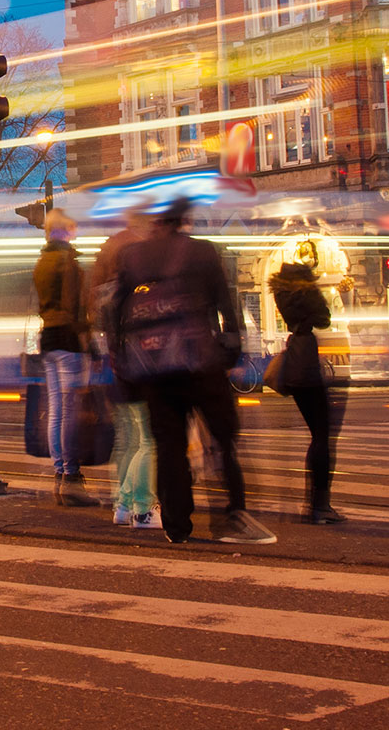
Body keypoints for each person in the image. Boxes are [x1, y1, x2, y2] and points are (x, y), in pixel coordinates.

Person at [107, 196, 273, 545]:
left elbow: (114, 309)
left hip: (154, 367)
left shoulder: (133, 256)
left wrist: (120, 355)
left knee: (170, 447)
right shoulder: (203, 252)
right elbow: (226, 305)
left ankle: (177, 525)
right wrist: (231, 352)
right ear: (183, 220)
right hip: (200, 362)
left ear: (157, 222)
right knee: (223, 440)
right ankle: (232, 515)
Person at [92, 202, 158, 528]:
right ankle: (142, 509)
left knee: (127, 439)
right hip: (140, 370)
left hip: (116, 369)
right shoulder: (138, 290)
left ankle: (122, 504)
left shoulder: (109, 282)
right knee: (148, 441)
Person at [269, 253, 345, 523]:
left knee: (318, 433)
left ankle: (315, 503)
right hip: (307, 362)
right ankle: (320, 504)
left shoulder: (282, 294)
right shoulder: (306, 292)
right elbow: (324, 319)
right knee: (322, 435)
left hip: (295, 358)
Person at [34, 209, 97, 507]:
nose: (75, 232)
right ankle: (71, 477)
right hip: (68, 340)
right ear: (65, 230)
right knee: (69, 411)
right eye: (72, 227)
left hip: (48, 338)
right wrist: (89, 341)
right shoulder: (67, 262)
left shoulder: (42, 262)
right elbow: (75, 307)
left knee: (57, 410)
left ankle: (59, 474)